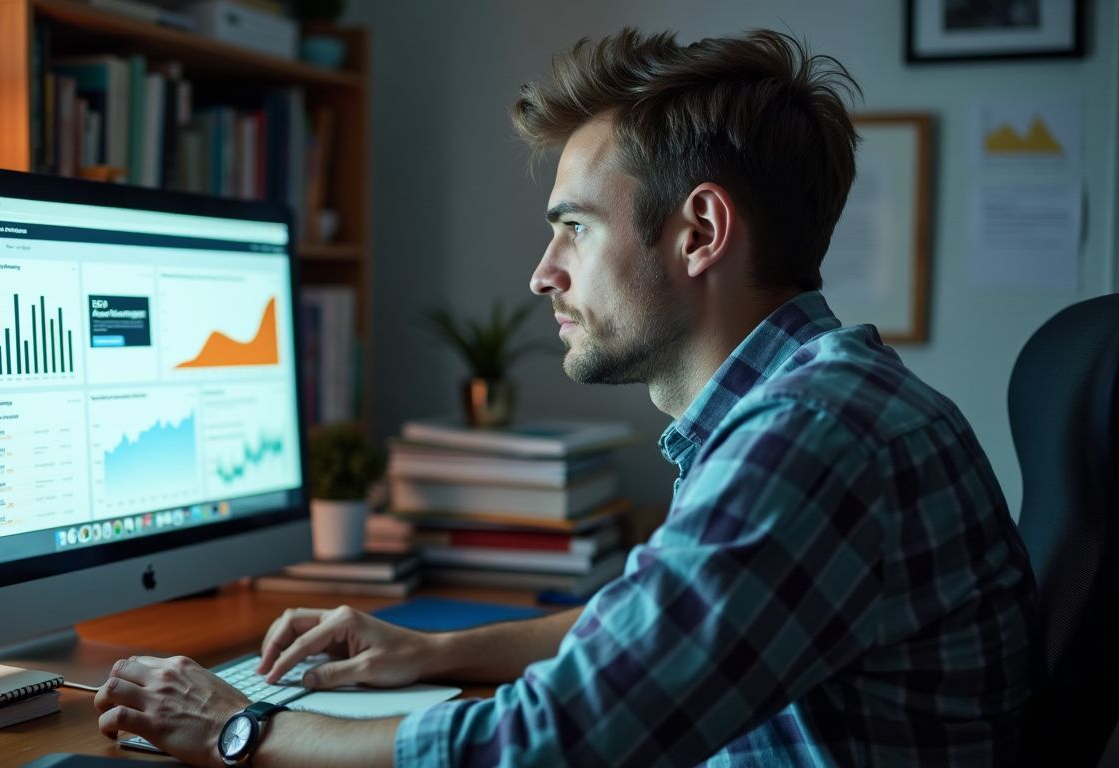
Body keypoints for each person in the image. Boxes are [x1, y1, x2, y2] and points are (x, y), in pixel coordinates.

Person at [94, 28, 1036, 766]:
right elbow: (649, 631)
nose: (544, 273)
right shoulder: (812, 401)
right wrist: (432, 653)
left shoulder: (810, 437)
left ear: (700, 230)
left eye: (574, 228)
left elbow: (553, 744)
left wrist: (239, 729)